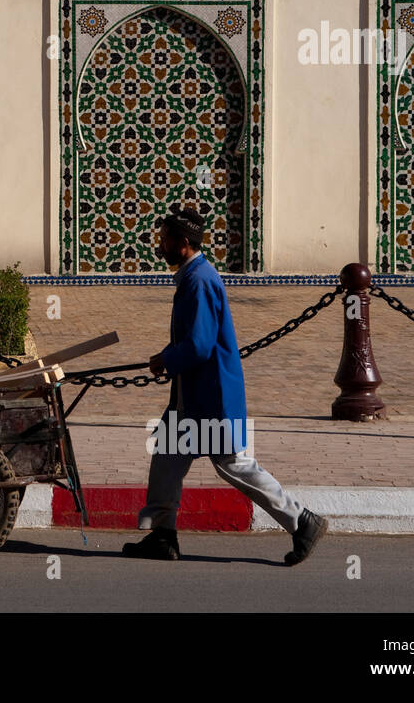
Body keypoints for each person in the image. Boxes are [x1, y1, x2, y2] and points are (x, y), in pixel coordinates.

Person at [121, 208, 328, 565]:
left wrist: (166, 360)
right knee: (167, 459)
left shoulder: (198, 281)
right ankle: (162, 535)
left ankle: (302, 521)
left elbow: (199, 345)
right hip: (192, 394)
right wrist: (168, 359)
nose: (161, 246)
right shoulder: (193, 275)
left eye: (166, 240)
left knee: (234, 465)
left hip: (210, 395)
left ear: (183, 244)